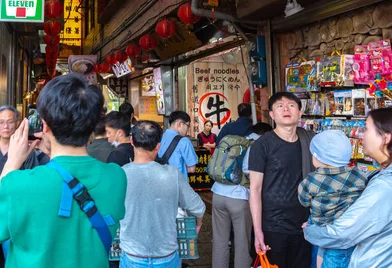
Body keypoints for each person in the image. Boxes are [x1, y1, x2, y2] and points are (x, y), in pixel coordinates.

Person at [0, 74, 127, 268]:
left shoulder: (19, 183)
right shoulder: (117, 177)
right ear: (93, 124)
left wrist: (11, 163)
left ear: (44, 125)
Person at [304, 108, 392, 267]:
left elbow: (342, 234)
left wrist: (309, 229)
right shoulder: (378, 175)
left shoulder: (385, 186)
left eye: (366, 129)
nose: (361, 134)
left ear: (386, 137)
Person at [119, 120, 205, 268]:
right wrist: (198, 223)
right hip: (166, 257)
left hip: (132, 257)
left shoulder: (121, 174)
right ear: (158, 146)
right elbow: (198, 208)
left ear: (132, 141)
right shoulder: (172, 174)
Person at [248, 92, 313, 268]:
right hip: (273, 226)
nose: (286, 109)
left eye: (291, 105)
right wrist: (258, 231)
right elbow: (255, 189)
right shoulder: (262, 145)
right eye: (279, 106)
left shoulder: (310, 141)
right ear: (271, 115)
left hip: (304, 224)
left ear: (300, 112)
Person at [0, 105, 39, 268]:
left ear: (17, 123)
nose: (5, 126)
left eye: (10, 122)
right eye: (1, 122)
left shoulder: (26, 152)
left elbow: (32, 183)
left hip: (14, 214)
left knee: (12, 260)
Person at [298, 130, 367, 268]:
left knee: (326, 256)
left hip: (322, 228)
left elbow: (304, 200)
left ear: (317, 157)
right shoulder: (359, 175)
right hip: (347, 229)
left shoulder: (311, 181)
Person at [211, 121, 272, 268]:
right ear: (265, 134)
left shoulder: (238, 141)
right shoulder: (256, 146)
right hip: (239, 198)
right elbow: (248, 171)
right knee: (242, 243)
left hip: (218, 193)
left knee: (220, 240)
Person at [158, 111, 197, 176]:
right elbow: (191, 169)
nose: (188, 129)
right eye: (188, 125)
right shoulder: (184, 141)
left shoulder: (158, 138)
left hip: (160, 182)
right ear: (179, 124)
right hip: (178, 183)